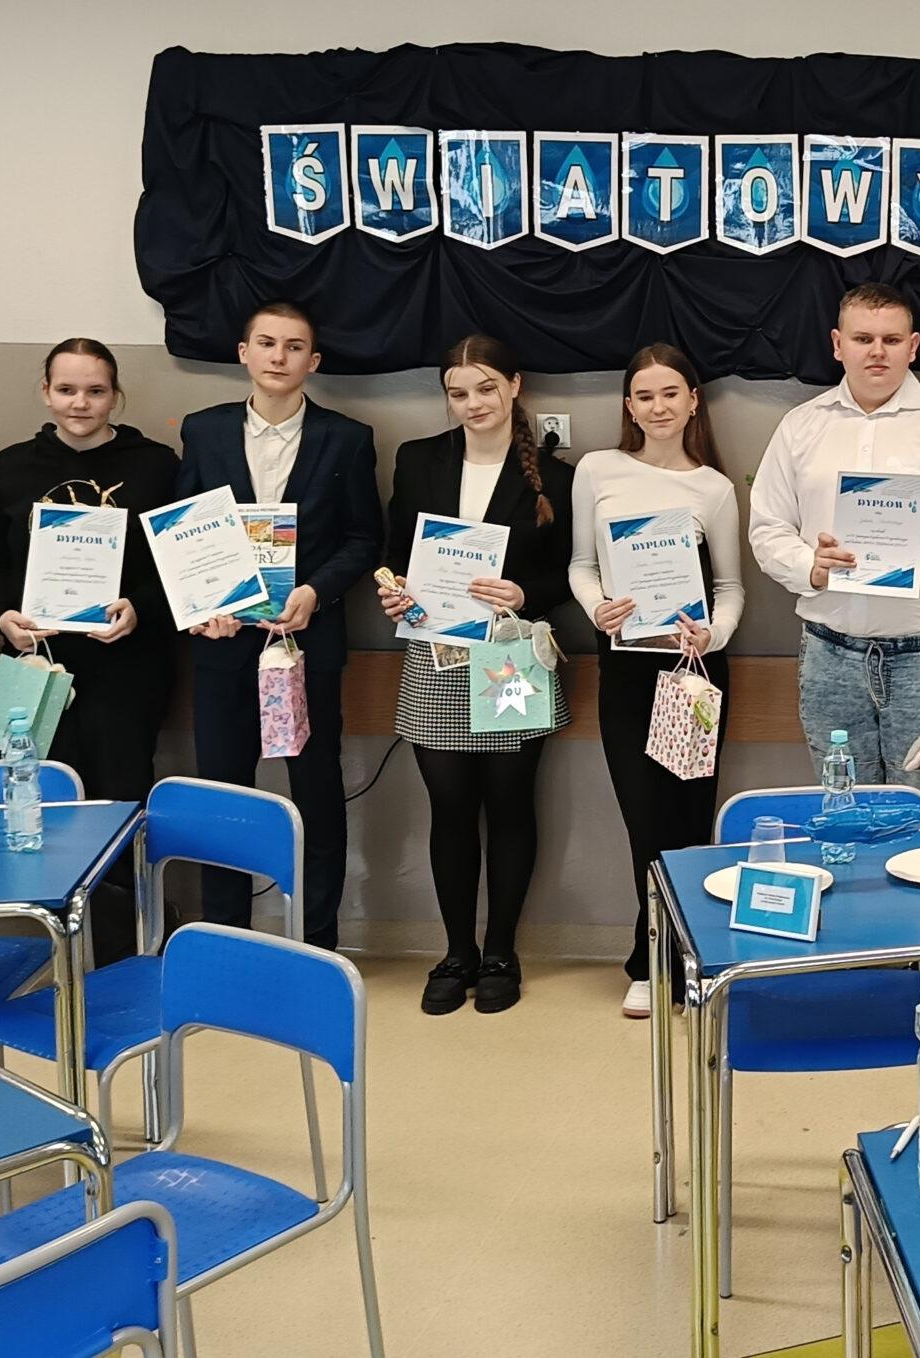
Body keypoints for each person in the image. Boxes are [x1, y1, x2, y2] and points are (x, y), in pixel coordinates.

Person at [0, 339, 181, 965]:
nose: (80, 403)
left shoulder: (156, 465)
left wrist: (140, 607)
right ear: (45, 393)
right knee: (47, 806)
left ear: (115, 395)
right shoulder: (10, 466)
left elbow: (178, 560)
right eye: (66, 389)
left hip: (127, 665)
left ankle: (123, 953)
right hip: (36, 666)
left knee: (120, 801)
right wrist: (1, 615)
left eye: (95, 391)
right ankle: (59, 946)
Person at [176, 301, 381, 953]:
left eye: (294, 347)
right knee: (224, 797)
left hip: (305, 645)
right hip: (223, 645)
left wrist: (315, 592)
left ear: (312, 361)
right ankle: (226, 937)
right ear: (244, 353)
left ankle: (317, 941)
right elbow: (184, 531)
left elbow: (363, 537)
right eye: (266, 343)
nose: (278, 356)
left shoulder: (347, 438)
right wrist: (200, 603)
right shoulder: (203, 430)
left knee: (315, 795)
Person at [380, 336, 574, 1015]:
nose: (473, 403)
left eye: (486, 388)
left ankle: (501, 952)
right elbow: (393, 554)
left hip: (511, 656)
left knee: (511, 805)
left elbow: (570, 574)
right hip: (436, 656)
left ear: (514, 385)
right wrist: (394, 591)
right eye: (458, 392)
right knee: (451, 809)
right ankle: (456, 952)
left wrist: (525, 593)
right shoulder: (418, 459)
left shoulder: (557, 475)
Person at [747, 283, 920, 781]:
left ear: (913, 346)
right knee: (845, 802)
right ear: (838, 345)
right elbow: (767, 527)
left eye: (891, 340)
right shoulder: (800, 426)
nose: (877, 351)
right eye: (863, 339)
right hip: (829, 652)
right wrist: (809, 567)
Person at [567, 343, 742, 1019]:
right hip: (627, 670)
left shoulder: (713, 488)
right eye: (645, 396)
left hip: (692, 672)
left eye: (671, 393)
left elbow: (729, 588)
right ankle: (647, 961)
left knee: (690, 819)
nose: (658, 406)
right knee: (644, 820)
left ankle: (694, 960)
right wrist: (596, 608)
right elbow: (582, 565)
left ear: (693, 401)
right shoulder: (598, 470)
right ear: (629, 406)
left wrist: (712, 634)